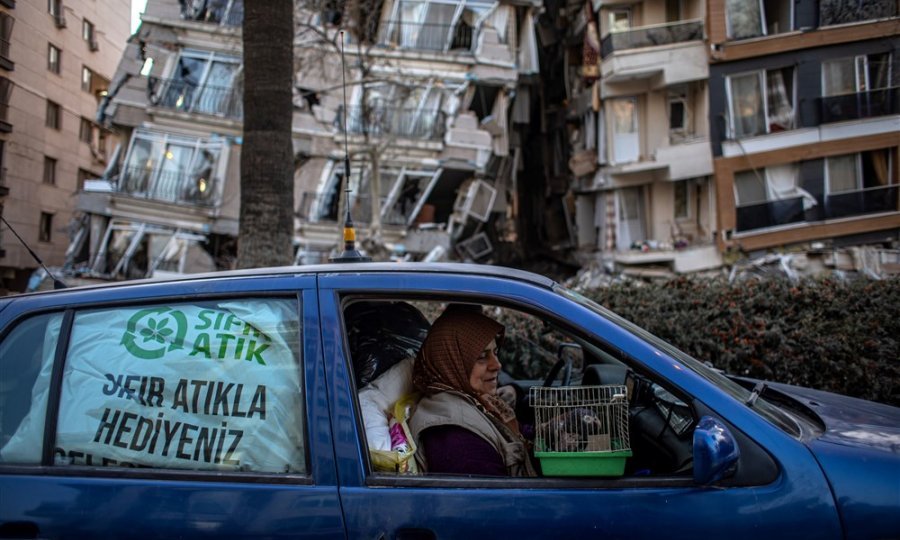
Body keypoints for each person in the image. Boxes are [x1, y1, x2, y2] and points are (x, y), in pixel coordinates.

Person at [408, 305, 537, 477]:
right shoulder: (457, 438)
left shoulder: (477, 399)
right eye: (482, 357)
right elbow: (495, 501)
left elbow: (514, 434)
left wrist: (554, 428)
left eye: (495, 352)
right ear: (452, 363)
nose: (497, 365)